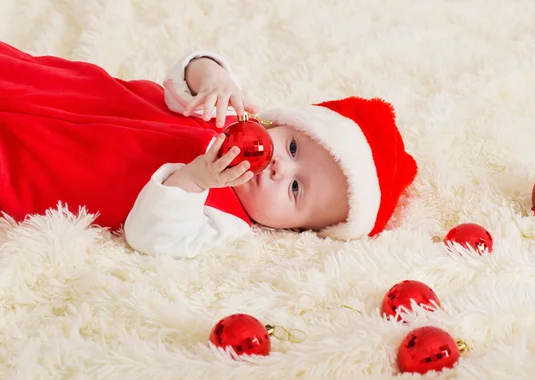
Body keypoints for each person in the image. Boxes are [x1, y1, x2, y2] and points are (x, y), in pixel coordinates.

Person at [0, 41, 418, 258]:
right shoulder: (231, 116)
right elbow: (183, 74)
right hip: (68, 93)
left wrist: (198, 178)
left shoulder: (227, 221)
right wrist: (215, 79)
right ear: (284, 121)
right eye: (292, 146)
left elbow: (150, 236)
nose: (277, 166)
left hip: (41, 166)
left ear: (293, 230)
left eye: (295, 190)